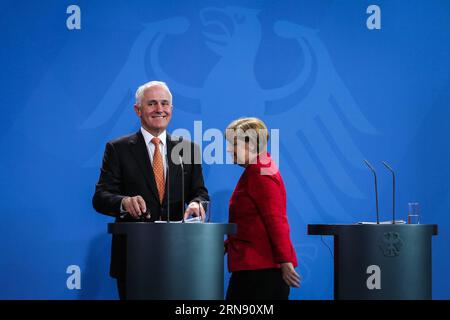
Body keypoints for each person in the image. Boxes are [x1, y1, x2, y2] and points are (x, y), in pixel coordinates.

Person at [92, 81, 209, 300]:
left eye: (165, 103)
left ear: (171, 110)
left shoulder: (188, 149)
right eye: (152, 103)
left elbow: (200, 193)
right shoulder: (118, 149)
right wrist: (124, 202)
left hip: (178, 256)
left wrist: (196, 204)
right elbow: (100, 197)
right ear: (138, 110)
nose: (159, 109)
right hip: (134, 257)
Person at [224, 117, 300, 300]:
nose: (228, 149)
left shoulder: (260, 172)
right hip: (254, 269)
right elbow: (250, 223)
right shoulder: (257, 169)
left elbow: (276, 220)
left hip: (260, 272)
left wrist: (285, 261)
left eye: (234, 144)